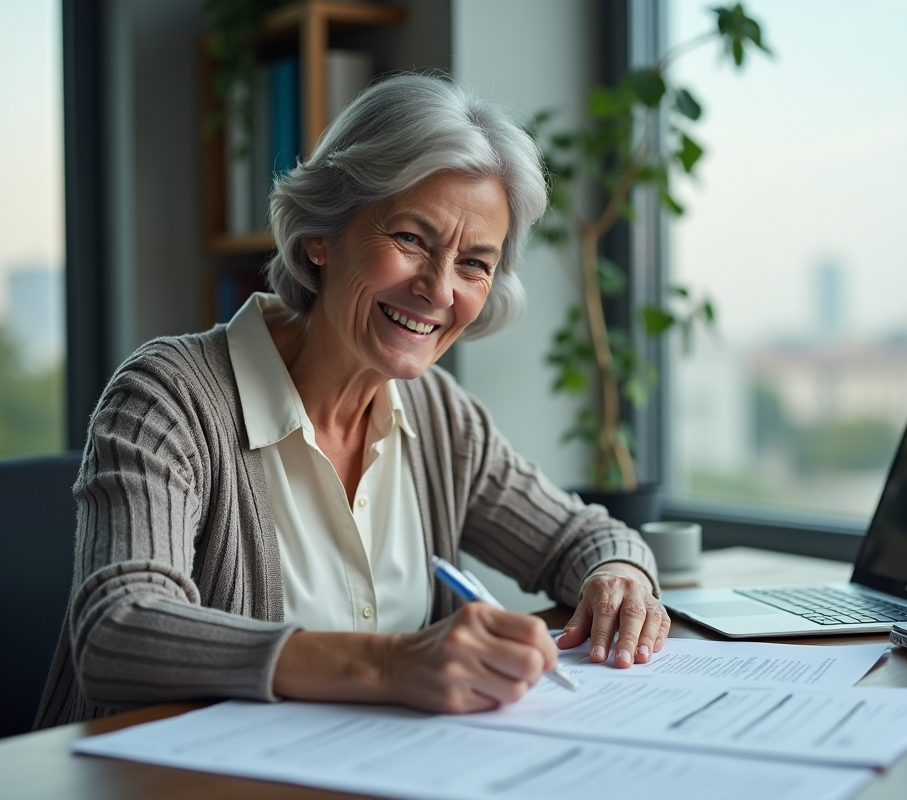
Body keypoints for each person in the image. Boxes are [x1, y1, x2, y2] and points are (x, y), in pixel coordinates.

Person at [35, 74, 669, 727]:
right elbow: (119, 630)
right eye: (411, 239)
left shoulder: (440, 417)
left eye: (474, 264)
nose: (438, 290)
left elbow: (582, 538)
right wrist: (391, 665)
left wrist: (619, 576)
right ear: (322, 235)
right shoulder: (167, 397)